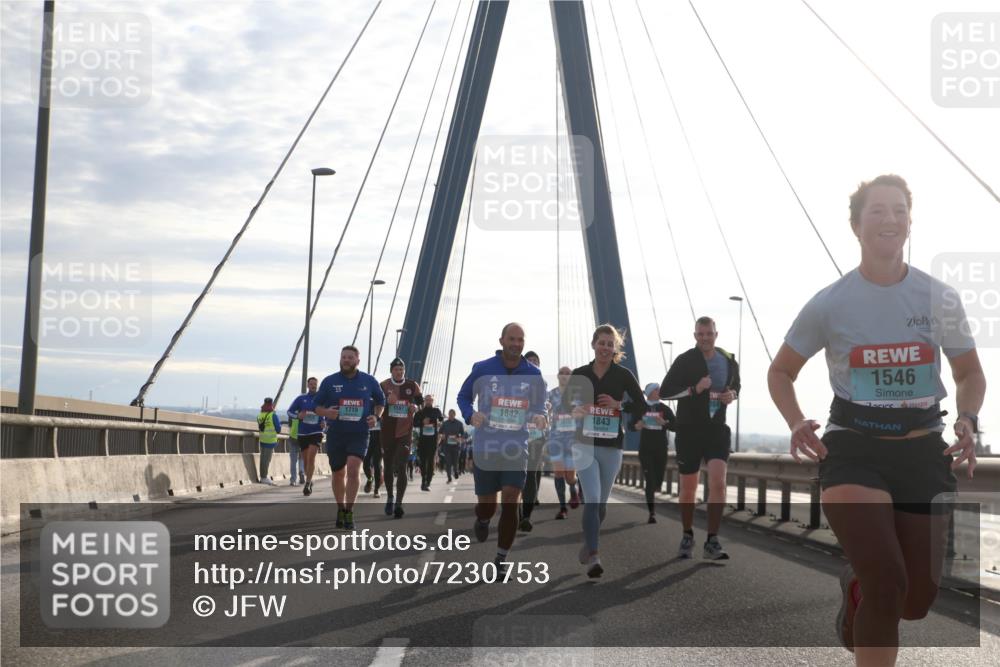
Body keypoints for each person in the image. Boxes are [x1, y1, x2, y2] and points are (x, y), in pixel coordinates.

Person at [767, 174, 983, 664]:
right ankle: (871, 587)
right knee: (889, 584)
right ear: (856, 225)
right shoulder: (830, 302)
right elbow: (781, 371)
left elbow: (969, 372)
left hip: (922, 448)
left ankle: (856, 588)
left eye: (899, 210)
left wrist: (967, 417)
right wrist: (797, 419)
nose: (890, 219)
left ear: (910, 222)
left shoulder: (939, 298)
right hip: (853, 447)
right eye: (877, 211)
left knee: (916, 599)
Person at [457, 322, 547, 569]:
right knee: (488, 506)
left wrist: (540, 415)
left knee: (511, 499)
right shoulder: (483, 368)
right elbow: (463, 396)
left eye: (521, 340)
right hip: (487, 445)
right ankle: (483, 519)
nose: (517, 344)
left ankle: (501, 558)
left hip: (517, 446)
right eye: (512, 339)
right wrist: (469, 414)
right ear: (501, 341)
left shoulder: (534, 374)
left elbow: (540, 405)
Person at [562, 324, 646, 578]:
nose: (606, 348)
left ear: (615, 349)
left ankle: (589, 543)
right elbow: (565, 406)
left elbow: (641, 405)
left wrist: (619, 404)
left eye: (611, 344)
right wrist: (578, 409)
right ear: (594, 344)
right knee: (593, 498)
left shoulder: (623, 375)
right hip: (584, 444)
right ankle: (595, 557)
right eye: (602, 342)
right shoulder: (580, 374)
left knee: (601, 505)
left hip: (611, 446)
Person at [660, 316, 740, 560]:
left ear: (716, 334)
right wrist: (694, 389)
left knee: (718, 483)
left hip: (716, 429)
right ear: (695, 336)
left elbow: (737, 387)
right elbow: (665, 392)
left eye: (709, 333)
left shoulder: (728, 360)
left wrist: (732, 395)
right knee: (689, 488)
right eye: (701, 334)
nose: (705, 338)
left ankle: (712, 541)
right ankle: (687, 535)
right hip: (689, 429)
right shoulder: (685, 360)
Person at [314, 345, 386, 530]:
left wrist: (376, 416)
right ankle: (340, 508)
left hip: (359, 433)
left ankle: (350, 510)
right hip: (336, 433)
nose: (346, 360)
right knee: (339, 473)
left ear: (357, 361)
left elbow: (381, 401)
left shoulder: (369, 381)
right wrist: (326, 413)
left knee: (353, 469)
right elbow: (316, 406)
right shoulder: (330, 382)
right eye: (343, 357)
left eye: (350, 357)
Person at [380, 358, 423, 518]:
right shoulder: (383, 385)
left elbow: (421, 403)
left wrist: (416, 407)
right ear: (391, 370)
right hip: (387, 432)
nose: (399, 372)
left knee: (402, 464)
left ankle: (399, 503)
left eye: (401, 370)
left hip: (405, 431)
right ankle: (390, 497)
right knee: (389, 466)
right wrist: (385, 401)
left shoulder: (413, 385)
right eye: (396, 369)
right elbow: (375, 405)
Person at [630, 382, 676, 523]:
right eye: (657, 389)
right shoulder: (640, 407)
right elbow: (630, 425)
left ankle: (655, 488)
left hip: (661, 450)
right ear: (650, 392)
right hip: (645, 450)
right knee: (650, 481)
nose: (660, 390)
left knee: (657, 482)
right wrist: (637, 426)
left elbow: (676, 426)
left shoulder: (665, 409)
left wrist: (664, 423)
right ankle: (652, 513)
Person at [518, 351, 548, 532]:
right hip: (516, 434)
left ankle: (526, 516)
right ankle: (515, 508)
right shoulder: (515, 382)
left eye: (536, 361)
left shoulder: (543, 383)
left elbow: (546, 408)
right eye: (530, 361)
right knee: (516, 474)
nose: (533, 363)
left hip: (536, 435)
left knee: (530, 473)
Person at [547, 366, 580, 519]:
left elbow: (585, 411)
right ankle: (562, 508)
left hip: (572, 438)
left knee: (569, 476)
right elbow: (543, 409)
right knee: (559, 473)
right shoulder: (551, 394)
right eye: (562, 373)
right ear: (558, 376)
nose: (565, 375)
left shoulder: (578, 394)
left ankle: (574, 487)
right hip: (555, 438)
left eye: (569, 373)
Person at [286, 377, 325, 496]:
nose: (313, 386)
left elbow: (330, 412)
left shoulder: (322, 399)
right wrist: (298, 416)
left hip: (316, 432)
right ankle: (310, 479)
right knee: (306, 460)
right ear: (308, 386)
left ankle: (307, 484)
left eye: (315, 384)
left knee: (311, 456)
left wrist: (326, 423)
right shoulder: (301, 398)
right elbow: (289, 412)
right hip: (303, 433)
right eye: (311, 384)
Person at [413, 395, 444, 491]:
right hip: (422, 440)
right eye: (427, 400)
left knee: (430, 461)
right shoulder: (420, 413)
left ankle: (428, 482)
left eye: (430, 400)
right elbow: (414, 424)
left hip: (433, 440)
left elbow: (441, 420)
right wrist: (422, 423)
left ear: (433, 401)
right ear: (424, 401)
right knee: (423, 461)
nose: (429, 401)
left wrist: (438, 423)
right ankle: (423, 481)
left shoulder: (436, 411)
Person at [257, 398, 282, 485]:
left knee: (262, 459)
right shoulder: (273, 415)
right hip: (270, 441)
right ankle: (264, 477)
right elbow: (278, 430)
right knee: (267, 460)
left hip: (262, 439)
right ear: (271, 404)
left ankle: (262, 476)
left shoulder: (260, 415)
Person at [440, 409, 466, 483]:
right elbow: (440, 432)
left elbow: (463, 434)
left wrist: (459, 438)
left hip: (456, 446)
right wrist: (442, 436)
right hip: (446, 446)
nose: (451, 415)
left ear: (454, 415)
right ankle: (449, 478)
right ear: (448, 415)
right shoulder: (445, 423)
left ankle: (455, 471)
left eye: (452, 414)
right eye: (449, 414)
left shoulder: (459, 423)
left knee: (455, 462)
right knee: (448, 462)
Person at [363, 417, 383, 497]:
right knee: (365, 463)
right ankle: (370, 479)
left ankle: (376, 490)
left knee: (376, 464)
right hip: (369, 438)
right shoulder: (368, 408)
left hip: (380, 439)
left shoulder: (382, 409)